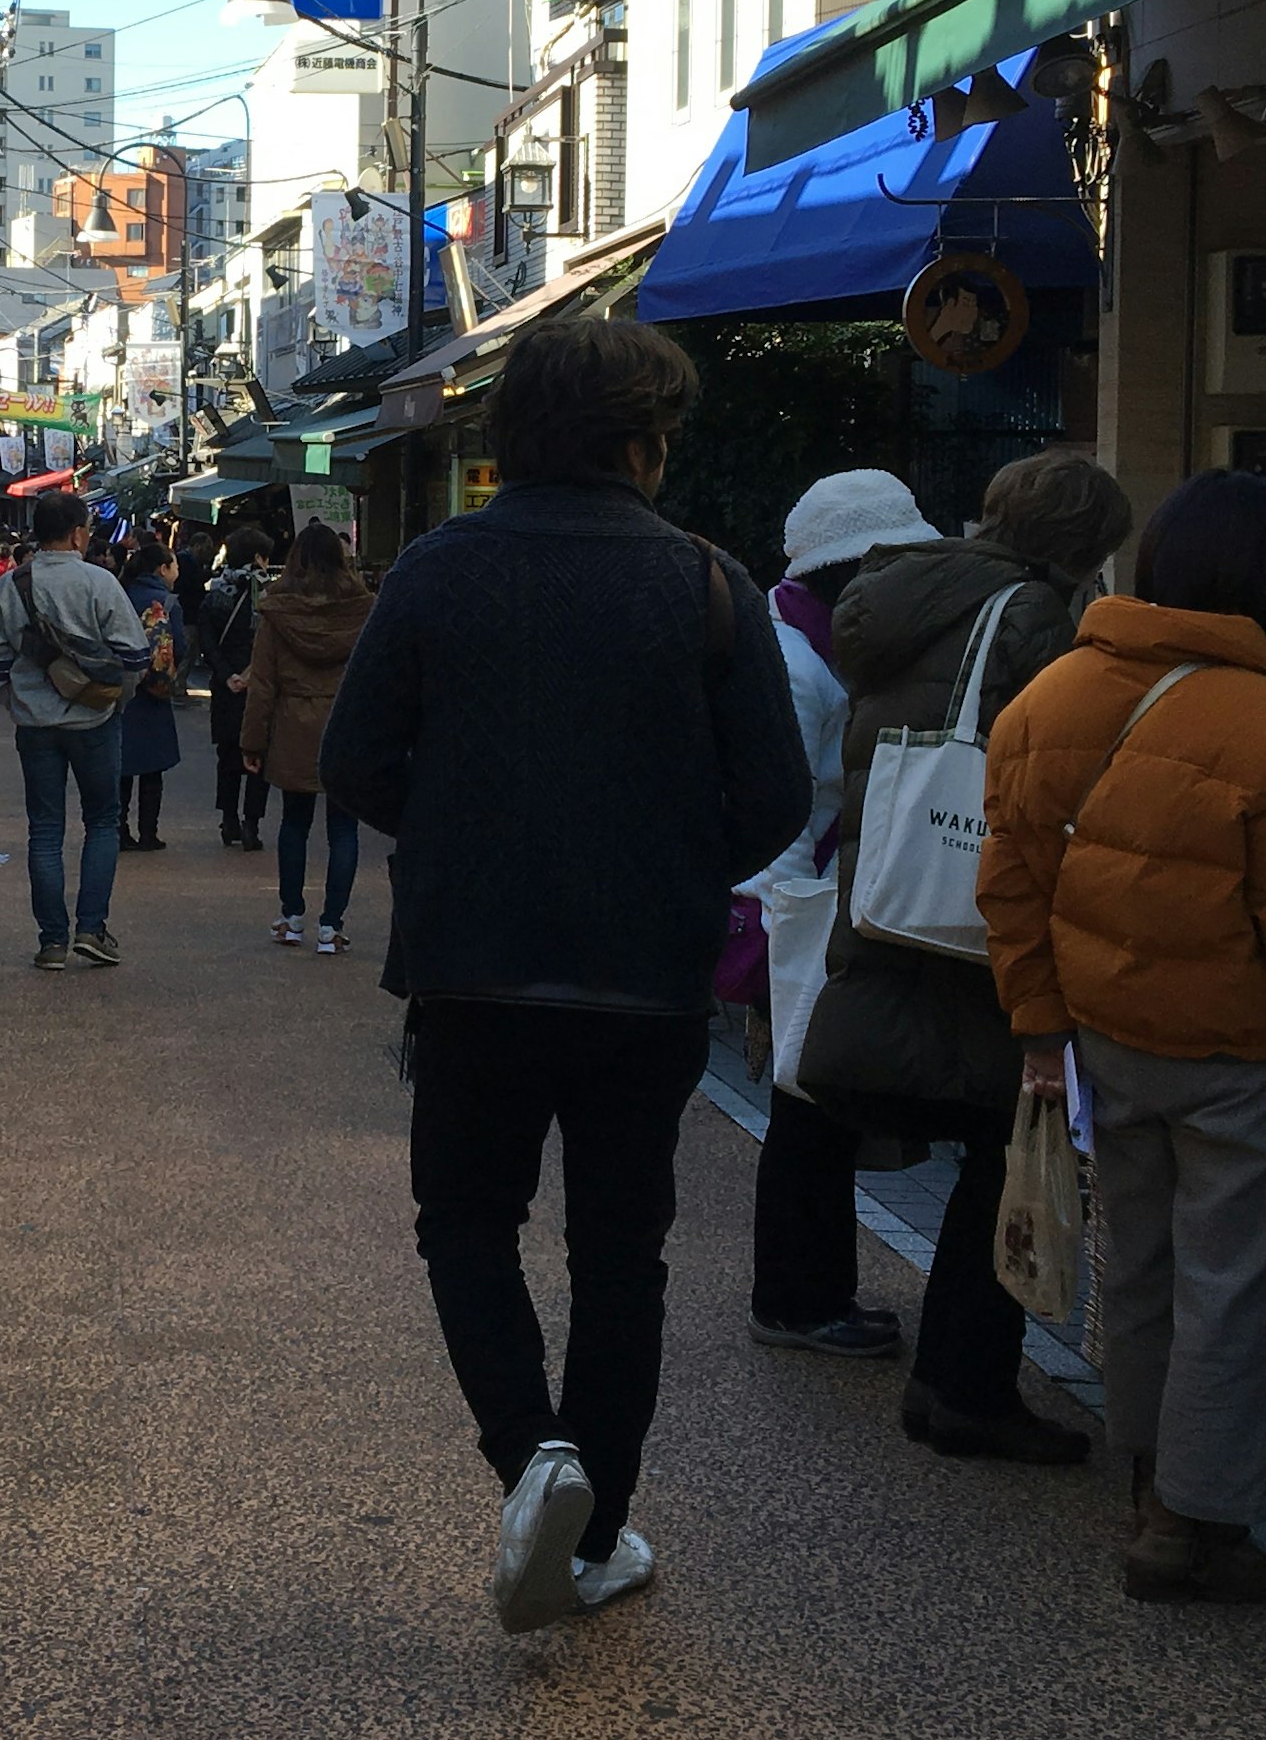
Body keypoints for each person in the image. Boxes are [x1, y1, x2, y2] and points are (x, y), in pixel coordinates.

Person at [320, 318, 807, 1630]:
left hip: (473, 966)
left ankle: (530, 1457)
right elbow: (775, 795)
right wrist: (669, 862)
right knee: (621, 1252)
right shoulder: (704, 581)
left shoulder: (436, 570)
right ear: (646, 438)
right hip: (644, 980)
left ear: (511, 432)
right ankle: (593, 1533)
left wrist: (466, 826)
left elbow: (354, 760)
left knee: (467, 1221)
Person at [981, 469, 1266, 1603]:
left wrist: (1040, 1028)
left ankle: (1149, 1471)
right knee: (1236, 1286)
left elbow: (1009, 888)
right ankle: (1193, 1515)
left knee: (1141, 1272)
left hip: (1104, 1040)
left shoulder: (1052, 696)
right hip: (1237, 1059)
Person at [798, 444, 1131, 1466]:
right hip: (979, 924)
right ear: (1080, 547)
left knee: (992, 1156)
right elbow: (1047, 774)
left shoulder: (899, 594)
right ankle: (969, 1389)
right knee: (1012, 1153)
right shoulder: (1030, 615)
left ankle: (952, 1381)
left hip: (902, 906)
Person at [741, 469, 943, 1358]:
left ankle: (811, 1293)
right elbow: (777, 804)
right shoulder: (792, 655)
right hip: (801, 906)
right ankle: (798, 1299)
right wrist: (787, 923)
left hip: (821, 901)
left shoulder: (818, 638)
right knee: (807, 1111)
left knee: (815, 1109)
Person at [0, 490, 149, 970]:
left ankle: (52, 940)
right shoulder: (99, 581)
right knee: (102, 822)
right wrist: (114, 693)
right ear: (77, 533)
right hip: (95, 721)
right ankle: (91, 928)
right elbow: (135, 655)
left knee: (45, 830)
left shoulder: (12, 585)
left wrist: (19, 701)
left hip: (34, 725)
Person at [244, 523, 374, 953]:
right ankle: (331, 926)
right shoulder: (363, 610)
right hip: (347, 724)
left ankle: (292, 916)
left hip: (294, 723)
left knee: (294, 823)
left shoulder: (278, 612)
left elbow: (262, 684)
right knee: (343, 828)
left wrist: (252, 742)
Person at [201, 526, 274, 851]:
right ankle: (251, 823)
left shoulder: (215, 591)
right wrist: (248, 674)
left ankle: (228, 818)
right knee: (258, 753)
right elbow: (270, 640)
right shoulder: (265, 593)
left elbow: (207, 641)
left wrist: (226, 673)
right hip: (258, 684)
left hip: (224, 685)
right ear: (259, 557)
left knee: (227, 754)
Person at [116, 538, 187, 850]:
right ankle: (148, 833)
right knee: (152, 768)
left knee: (121, 765)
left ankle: (118, 829)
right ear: (163, 568)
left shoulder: (120, 594)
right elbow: (180, 648)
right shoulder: (168, 603)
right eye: (174, 565)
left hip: (121, 689)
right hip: (155, 691)